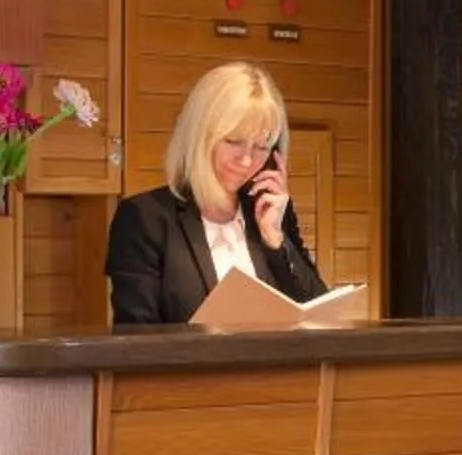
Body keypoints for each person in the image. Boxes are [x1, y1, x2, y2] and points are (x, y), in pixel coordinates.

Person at [106, 61, 330, 324]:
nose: (247, 161)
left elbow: (318, 317)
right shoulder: (144, 219)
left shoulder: (271, 212)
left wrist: (276, 242)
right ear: (200, 135)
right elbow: (136, 339)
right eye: (234, 141)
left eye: (261, 147)